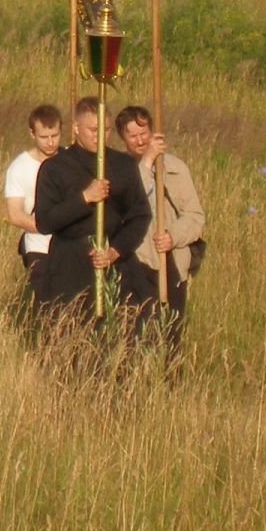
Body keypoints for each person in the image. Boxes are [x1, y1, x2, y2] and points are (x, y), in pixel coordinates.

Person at [33, 97, 153, 337]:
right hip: (70, 264)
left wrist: (115, 250)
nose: (101, 136)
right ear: (76, 128)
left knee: (126, 335)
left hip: (116, 262)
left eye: (106, 130)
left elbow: (140, 215)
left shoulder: (123, 165)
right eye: (93, 130)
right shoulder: (55, 168)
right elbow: (44, 221)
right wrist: (84, 198)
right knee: (72, 337)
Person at [115, 104, 206, 349]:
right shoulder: (119, 170)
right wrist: (146, 163)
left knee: (170, 338)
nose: (139, 140)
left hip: (171, 264)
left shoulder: (175, 168)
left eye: (144, 133)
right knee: (134, 336)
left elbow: (195, 216)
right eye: (132, 136)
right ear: (123, 138)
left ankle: (169, 385)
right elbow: (129, 204)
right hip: (136, 264)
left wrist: (173, 237)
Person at [3, 104, 64, 317]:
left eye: (55, 136)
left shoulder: (70, 160)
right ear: (32, 134)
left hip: (70, 247)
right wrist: (49, 226)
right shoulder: (19, 167)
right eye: (44, 136)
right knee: (49, 309)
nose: (50, 142)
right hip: (39, 247)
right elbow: (15, 214)